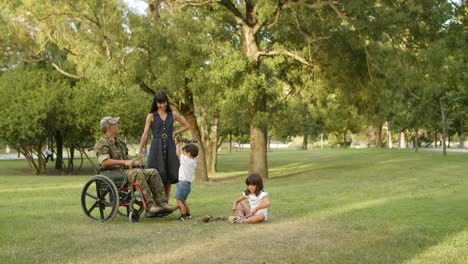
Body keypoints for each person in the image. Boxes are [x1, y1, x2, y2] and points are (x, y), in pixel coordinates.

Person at [95, 116, 178, 217]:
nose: (117, 126)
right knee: (137, 173)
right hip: (112, 173)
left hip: (125, 172)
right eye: (115, 124)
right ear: (109, 127)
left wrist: (133, 162)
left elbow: (127, 157)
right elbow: (104, 162)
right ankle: (149, 206)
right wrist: (124, 162)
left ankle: (163, 203)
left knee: (153, 172)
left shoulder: (119, 142)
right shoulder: (102, 143)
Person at [137, 91, 189, 200]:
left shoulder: (173, 114)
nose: (162, 105)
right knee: (154, 175)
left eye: (164, 102)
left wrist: (175, 133)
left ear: (167, 102)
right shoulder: (151, 116)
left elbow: (186, 125)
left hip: (170, 146)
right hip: (156, 148)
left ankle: (166, 202)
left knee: (168, 177)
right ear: (156, 103)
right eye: (159, 103)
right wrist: (140, 151)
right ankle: (154, 203)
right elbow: (145, 134)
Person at [175, 141, 198, 221]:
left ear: (188, 154)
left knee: (179, 201)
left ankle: (183, 216)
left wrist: (178, 145)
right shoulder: (194, 162)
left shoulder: (186, 160)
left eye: (184, 153)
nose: (183, 154)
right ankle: (188, 215)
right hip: (188, 184)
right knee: (184, 201)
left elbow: (177, 153)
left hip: (182, 183)